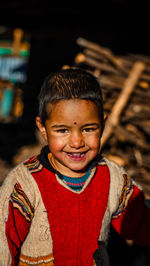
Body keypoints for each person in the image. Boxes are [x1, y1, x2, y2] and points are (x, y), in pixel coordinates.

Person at [0, 67, 150, 266]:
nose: (77, 142)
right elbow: (3, 246)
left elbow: (139, 221)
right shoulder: (25, 184)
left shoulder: (110, 178)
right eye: (62, 130)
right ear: (43, 128)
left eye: (88, 129)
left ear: (102, 125)